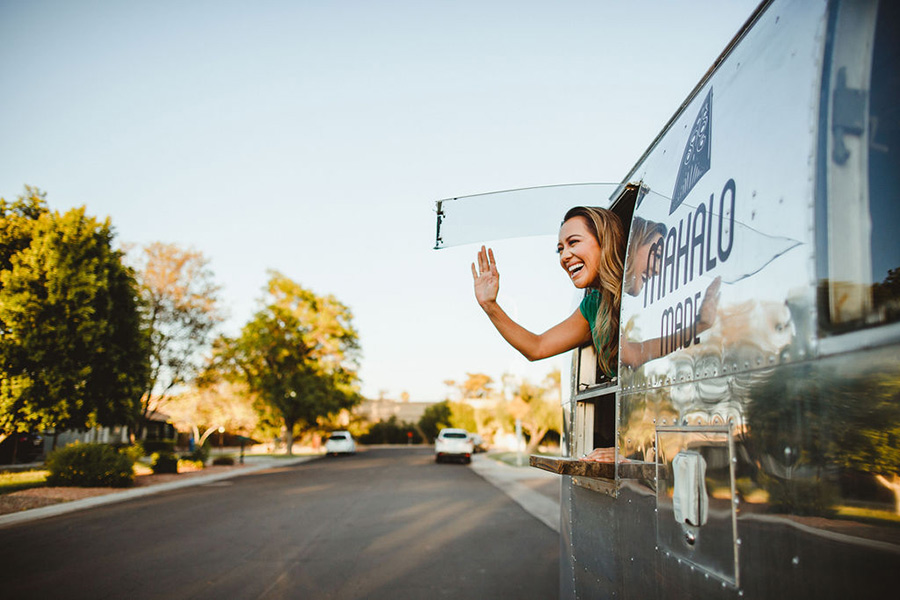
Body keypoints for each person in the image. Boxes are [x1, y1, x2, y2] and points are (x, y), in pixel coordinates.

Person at [472, 206, 720, 377]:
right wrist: (490, 306)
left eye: (573, 242)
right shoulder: (595, 304)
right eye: (561, 248)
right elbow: (537, 347)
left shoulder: (653, 296)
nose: (565, 256)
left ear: (605, 243)